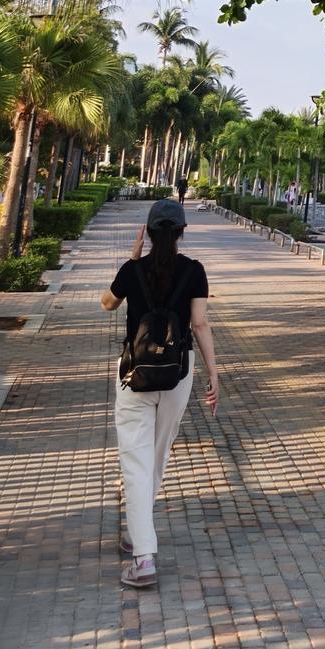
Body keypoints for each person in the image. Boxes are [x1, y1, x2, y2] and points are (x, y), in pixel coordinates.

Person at [101, 199, 218, 589]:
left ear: (148, 233)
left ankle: (144, 557)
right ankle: (138, 535)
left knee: (136, 461)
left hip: (135, 373)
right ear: (182, 232)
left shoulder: (132, 269)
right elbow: (199, 324)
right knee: (156, 455)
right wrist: (214, 373)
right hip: (178, 373)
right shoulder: (194, 271)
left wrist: (132, 260)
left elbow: (106, 303)